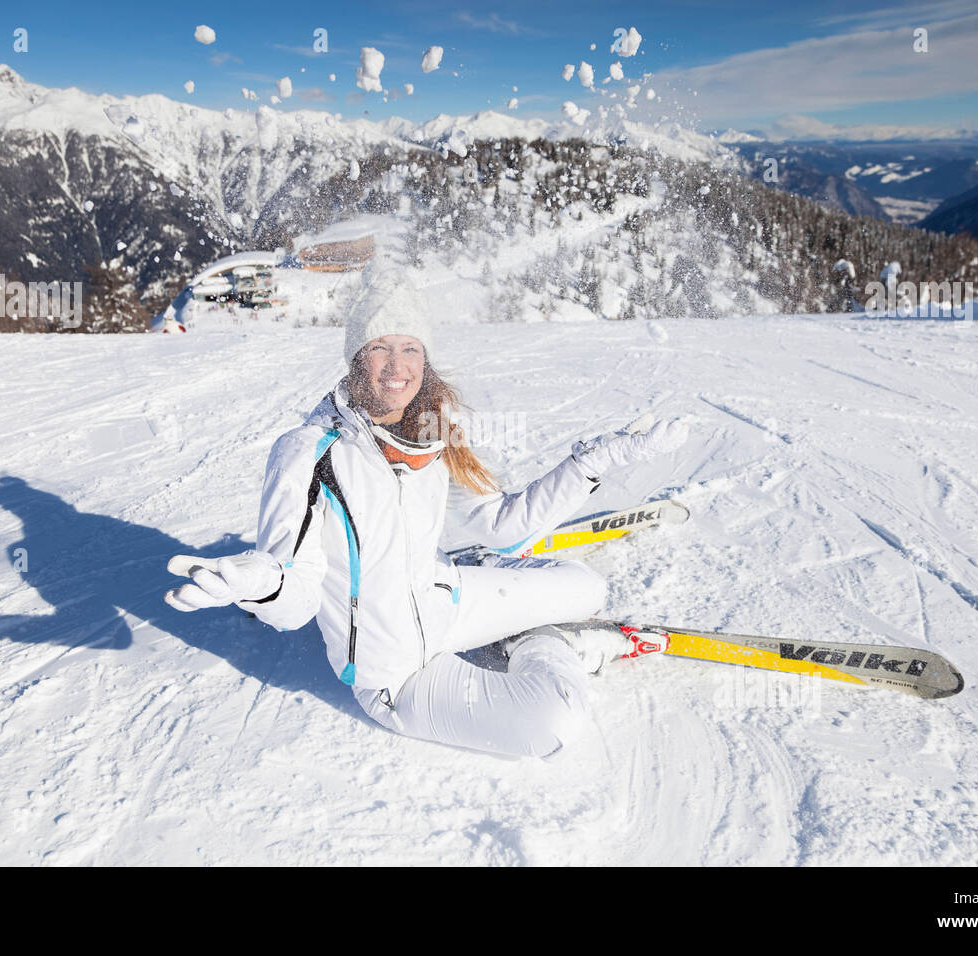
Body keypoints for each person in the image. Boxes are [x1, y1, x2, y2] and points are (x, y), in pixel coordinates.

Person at [165, 271, 687, 758]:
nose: (397, 365)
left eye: (410, 347)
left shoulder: (432, 435)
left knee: (588, 588)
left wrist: (597, 460)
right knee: (552, 728)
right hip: (397, 675)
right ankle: (549, 641)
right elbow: (297, 598)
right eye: (379, 347)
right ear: (354, 357)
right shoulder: (309, 453)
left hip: (451, 606)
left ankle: (500, 596)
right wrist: (262, 584)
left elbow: (504, 529)